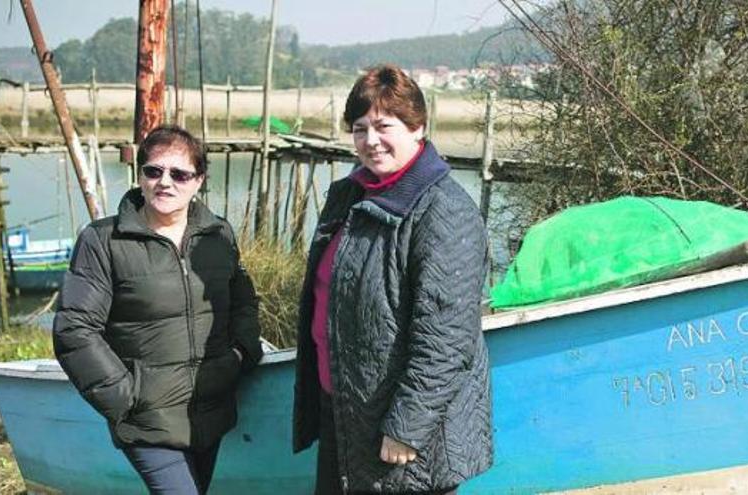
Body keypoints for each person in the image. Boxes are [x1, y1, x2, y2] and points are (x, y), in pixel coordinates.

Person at [292, 64, 493, 494]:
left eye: (384, 126)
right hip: (346, 409)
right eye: (360, 128)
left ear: (418, 127)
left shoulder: (443, 210)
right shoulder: (350, 194)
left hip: (402, 430)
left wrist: (408, 425)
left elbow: (446, 338)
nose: (370, 140)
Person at [53, 125, 262, 494]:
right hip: (147, 417)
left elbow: (243, 301)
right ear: (140, 176)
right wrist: (124, 395)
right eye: (154, 171)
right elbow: (75, 328)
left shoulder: (218, 235)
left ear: (199, 181)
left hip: (209, 410)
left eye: (180, 174)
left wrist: (240, 354)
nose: (165, 182)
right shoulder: (103, 241)